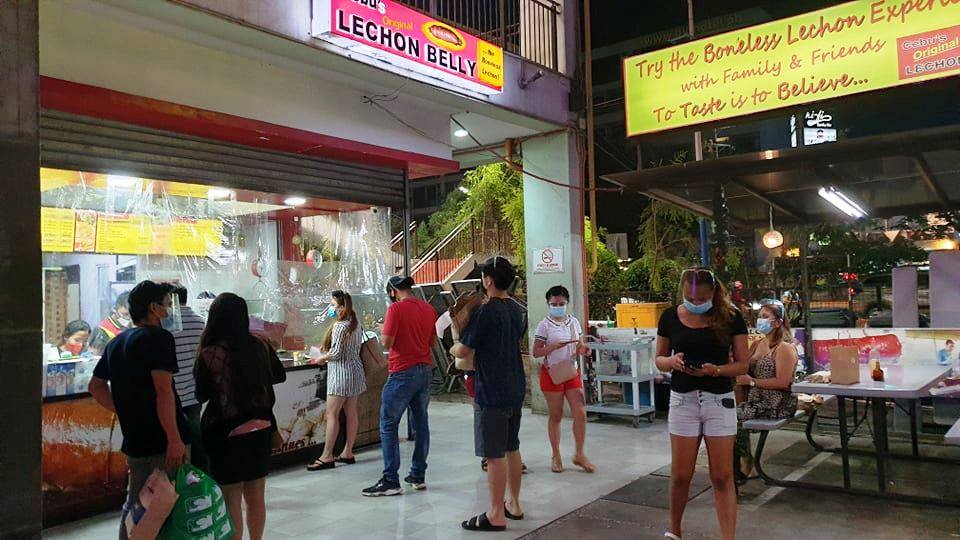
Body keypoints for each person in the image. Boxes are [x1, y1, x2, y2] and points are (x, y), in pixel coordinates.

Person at [87, 281, 189, 540]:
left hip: (134, 438)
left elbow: (95, 386)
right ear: (154, 308)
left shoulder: (117, 342)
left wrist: (125, 410)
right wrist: (174, 439)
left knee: (136, 504)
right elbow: (163, 391)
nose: (169, 311)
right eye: (166, 305)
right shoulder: (159, 339)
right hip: (161, 440)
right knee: (166, 504)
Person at [654, 268, 749, 540]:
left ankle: (728, 536)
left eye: (701, 299)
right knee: (681, 474)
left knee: (722, 476)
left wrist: (715, 370)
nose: (695, 304)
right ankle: (675, 529)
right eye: (689, 298)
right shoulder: (670, 317)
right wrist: (671, 363)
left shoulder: (731, 318)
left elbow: (743, 363)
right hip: (682, 400)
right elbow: (659, 358)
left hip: (718, 401)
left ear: (714, 294)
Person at [193, 293, 286, 540]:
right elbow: (279, 376)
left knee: (231, 497)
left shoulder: (208, 352)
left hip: (224, 434)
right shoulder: (259, 345)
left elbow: (200, 394)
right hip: (261, 429)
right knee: (256, 497)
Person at [451, 257, 527, 532]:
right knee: (512, 447)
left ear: (489, 281)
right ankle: (513, 504)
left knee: (494, 455)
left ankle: (496, 514)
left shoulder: (486, 312)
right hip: (515, 387)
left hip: (492, 389)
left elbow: (463, 350)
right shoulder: (517, 310)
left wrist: (453, 345)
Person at [362, 276, 437, 497]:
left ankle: (390, 479)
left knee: (388, 422)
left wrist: (383, 327)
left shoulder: (395, 309)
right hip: (424, 369)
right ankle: (417, 474)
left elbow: (386, 342)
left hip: (402, 371)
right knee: (420, 422)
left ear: (394, 291)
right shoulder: (428, 308)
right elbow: (432, 342)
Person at [532, 285, 595, 474]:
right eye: (554, 304)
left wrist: (584, 350)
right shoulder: (544, 325)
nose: (558, 306)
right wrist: (550, 347)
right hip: (552, 373)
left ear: (567, 303)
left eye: (561, 303)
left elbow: (580, 345)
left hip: (571, 371)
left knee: (580, 412)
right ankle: (556, 454)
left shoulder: (574, 322)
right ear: (548, 304)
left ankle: (579, 453)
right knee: (556, 415)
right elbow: (536, 352)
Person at [734, 300, 799, 480]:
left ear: (778, 322)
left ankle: (743, 465)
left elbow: (784, 382)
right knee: (725, 416)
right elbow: (743, 367)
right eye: (759, 317)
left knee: (732, 418)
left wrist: (753, 382)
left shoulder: (784, 347)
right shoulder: (757, 343)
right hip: (756, 402)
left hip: (777, 403)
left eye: (765, 317)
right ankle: (744, 461)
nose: (760, 320)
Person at [308, 290, 367, 471]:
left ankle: (327, 456)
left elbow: (336, 354)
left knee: (332, 415)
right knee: (351, 413)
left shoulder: (340, 327)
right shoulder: (356, 325)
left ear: (342, 308)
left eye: (333, 306)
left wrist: (321, 358)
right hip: (355, 373)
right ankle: (347, 452)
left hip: (340, 376)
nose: (331, 309)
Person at [171, 286, 208, 471]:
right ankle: (201, 476)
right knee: (195, 436)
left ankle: (183, 479)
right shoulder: (199, 322)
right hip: (193, 391)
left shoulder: (168, 325)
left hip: (173, 393)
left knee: (176, 440)